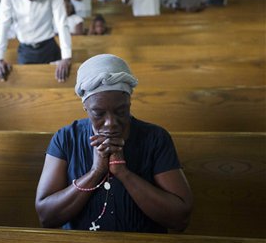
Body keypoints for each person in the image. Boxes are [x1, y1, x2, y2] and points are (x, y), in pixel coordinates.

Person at [35, 54, 193, 232]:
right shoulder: (66, 138)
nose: (111, 123)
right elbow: (46, 217)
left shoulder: (155, 138)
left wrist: (123, 172)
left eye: (121, 111)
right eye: (98, 113)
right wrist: (96, 172)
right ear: (85, 107)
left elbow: (180, 218)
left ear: (129, 102)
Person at [0, 0, 72, 82]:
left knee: (53, 87)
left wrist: (66, 58)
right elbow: (3, 24)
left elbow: (62, 23)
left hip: (49, 48)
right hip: (25, 50)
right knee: (27, 88)